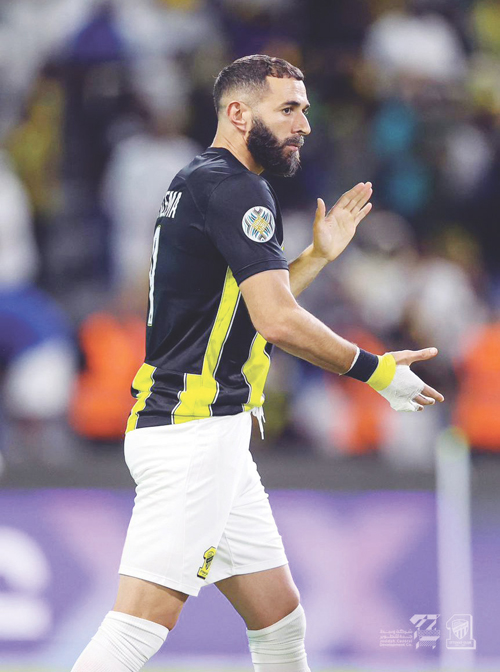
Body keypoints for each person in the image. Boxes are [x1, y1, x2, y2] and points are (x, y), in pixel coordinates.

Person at [71, 54, 444, 672]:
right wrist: (377, 373)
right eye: (288, 109)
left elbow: (246, 308)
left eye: (305, 109)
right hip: (194, 434)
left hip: (202, 432)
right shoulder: (240, 189)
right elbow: (276, 321)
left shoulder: (197, 179)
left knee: (279, 619)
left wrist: (316, 257)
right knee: (135, 629)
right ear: (239, 113)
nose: (304, 125)